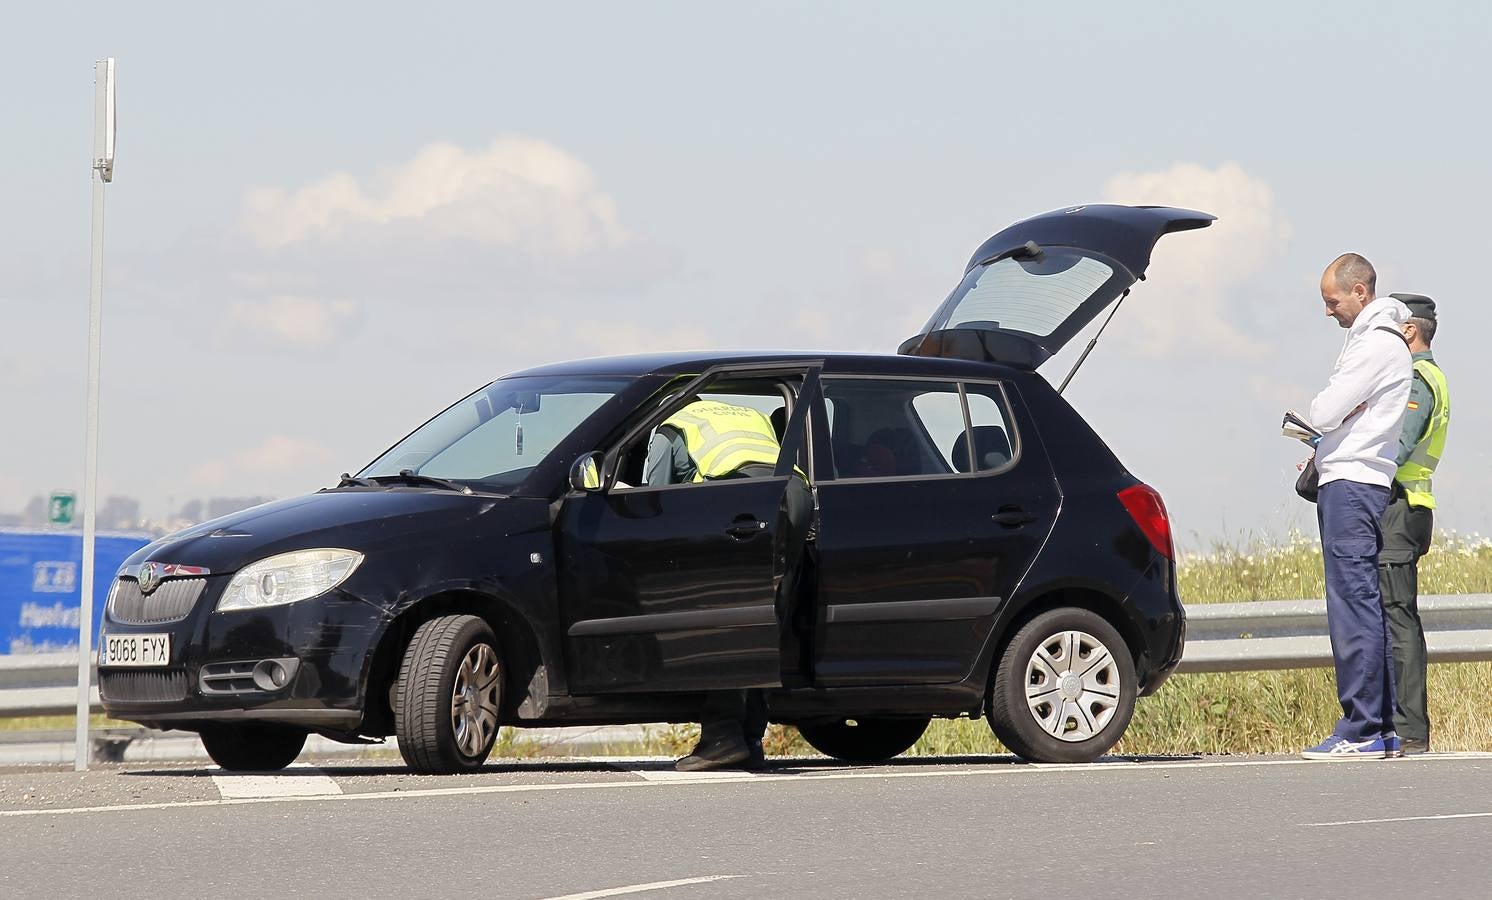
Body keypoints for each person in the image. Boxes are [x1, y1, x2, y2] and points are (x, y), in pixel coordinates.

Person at [645, 397, 814, 771]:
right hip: (796, 495)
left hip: (744, 498)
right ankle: (750, 739)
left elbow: (653, 499)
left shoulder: (671, 426)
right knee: (766, 623)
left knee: (730, 620)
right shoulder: (742, 414)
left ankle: (722, 737)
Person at [1301, 253, 1412, 760]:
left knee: (1352, 605)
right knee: (1364, 601)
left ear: (1359, 292)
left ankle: (1362, 727)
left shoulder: (1374, 346)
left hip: (1351, 484)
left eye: (1332, 300)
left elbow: (1323, 411)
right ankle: (1381, 727)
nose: (1329, 311)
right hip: (1364, 482)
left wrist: (1332, 416)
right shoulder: (1383, 342)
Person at [1378, 293, 1450, 755]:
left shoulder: (1418, 380)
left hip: (1401, 508)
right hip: (1407, 507)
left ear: (1408, 331)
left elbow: (1396, 447)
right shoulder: (1426, 377)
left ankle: (1409, 729)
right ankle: (1401, 725)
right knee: (1395, 615)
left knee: (1397, 617)